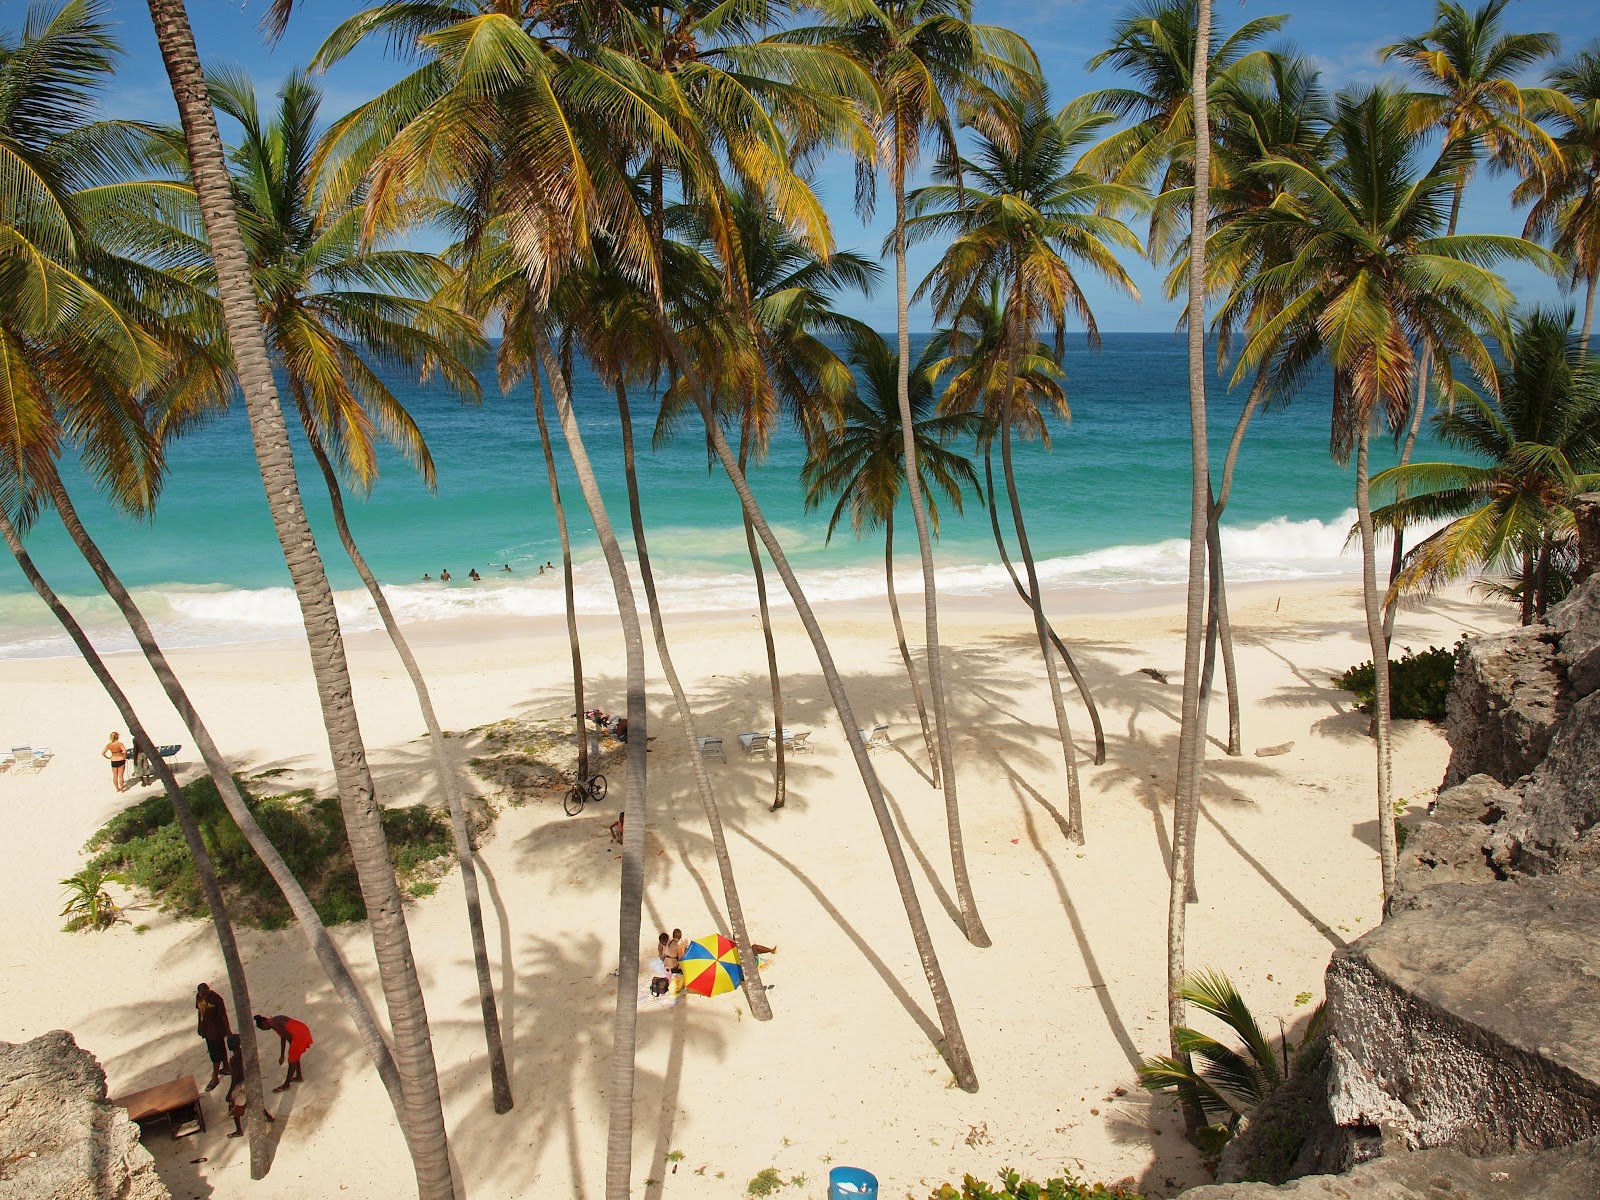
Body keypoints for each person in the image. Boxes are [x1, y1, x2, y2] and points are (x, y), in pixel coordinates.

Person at [224, 1033, 275, 1138]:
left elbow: (235, 1079)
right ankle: (268, 1116)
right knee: (255, 1100)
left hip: (241, 1084)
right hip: (251, 1081)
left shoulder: (234, 1060)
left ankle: (238, 1130)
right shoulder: (246, 1054)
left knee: (234, 1107)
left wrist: (230, 1093)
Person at [253, 1013, 313, 1092]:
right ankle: (298, 1076)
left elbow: (287, 1034)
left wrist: (291, 1047)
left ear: (264, 1023)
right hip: (302, 1029)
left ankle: (286, 1085)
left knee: (292, 1060)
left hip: (299, 1035)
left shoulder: (273, 1024)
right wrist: (283, 1054)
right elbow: (283, 1036)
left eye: (263, 1028)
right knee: (295, 1057)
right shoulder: (274, 1020)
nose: (264, 1030)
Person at [196, 983, 232, 1091]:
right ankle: (226, 1067)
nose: (204, 996)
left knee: (215, 1054)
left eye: (205, 993)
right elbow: (199, 1010)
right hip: (206, 1029)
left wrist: (228, 1031)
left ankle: (215, 1077)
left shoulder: (217, 999)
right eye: (202, 994)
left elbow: (223, 1016)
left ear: (209, 990)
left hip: (216, 1030)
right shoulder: (198, 997)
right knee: (220, 1048)